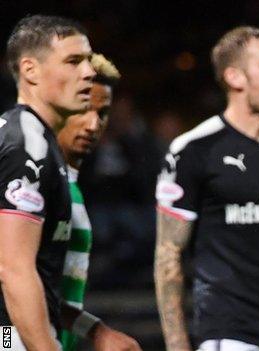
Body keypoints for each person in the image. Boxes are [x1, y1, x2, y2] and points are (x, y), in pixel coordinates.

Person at [154, 26, 259, 351]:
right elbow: (169, 255)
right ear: (235, 78)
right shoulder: (193, 150)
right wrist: (177, 347)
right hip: (230, 337)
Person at [0, 15, 94, 349]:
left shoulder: (34, 139)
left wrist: (94, 330)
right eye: (73, 61)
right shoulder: (27, 145)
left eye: (88, 61)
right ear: (30, 70)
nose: (89, 72)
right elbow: (13, 270)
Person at [56, 53, 141, 351]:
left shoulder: (69, 184)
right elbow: (9, 284)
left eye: (102, 113)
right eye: (84, 109)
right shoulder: (32, 177)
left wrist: (95, 331)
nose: (94, 124)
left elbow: (49, 296)